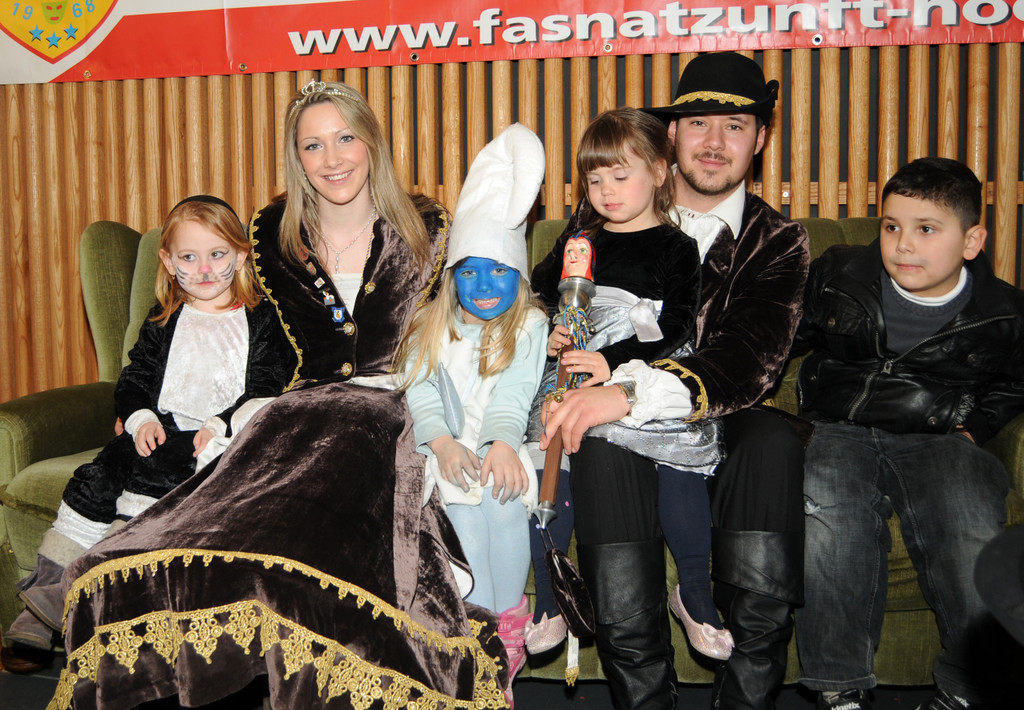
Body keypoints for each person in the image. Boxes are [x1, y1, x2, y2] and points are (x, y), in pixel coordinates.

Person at [52, 81, 507, 710]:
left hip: (384, 411)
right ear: (297, 156)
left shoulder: (428, 227)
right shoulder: (268, 232)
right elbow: (237, 334)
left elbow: (487, 309)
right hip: (290, 410)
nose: (332, 158)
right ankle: (222, 661)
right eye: (313, 145)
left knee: (317, 510)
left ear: (371, 143)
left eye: (345, 138)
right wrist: (171, 410)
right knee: (235, 523)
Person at [539, 52, 811, 710]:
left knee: (774, 442)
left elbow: (747, 360)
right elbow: (547, 298)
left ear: (760, 139)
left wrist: (629, 390)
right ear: (670, 138)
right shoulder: (597, 222)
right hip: (605, 407)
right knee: (597, 439)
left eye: (735, 126)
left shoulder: (776, 241)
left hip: (723, 412)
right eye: (698, 124)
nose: (714, 142)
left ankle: (745, 698)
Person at [5, 195, 293, 652]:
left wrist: (220, 425)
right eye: (188, 257)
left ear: (240, 256)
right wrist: (139, 417)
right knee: (98, 476)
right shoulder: (164, 318)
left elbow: (267, 385)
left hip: (212, 441)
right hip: (157, 427)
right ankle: (44, 592)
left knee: (151, 487)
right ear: (169, 261)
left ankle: (83, 590)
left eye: (217, 254)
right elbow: (134, 377)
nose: (204, 269)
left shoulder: (260, 320)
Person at [795, 157, 1024, 710]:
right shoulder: (841, 273)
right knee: (827, 514)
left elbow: (1016, 383)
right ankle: (839, 689)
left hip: (940, 438)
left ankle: (969, 689)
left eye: (926, 229)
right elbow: (782, 336)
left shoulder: (1004, 314)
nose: (903, 245)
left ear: (972, 241)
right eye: (892, 226)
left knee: (968, 525)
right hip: (837, 426)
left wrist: (975, 430)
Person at [527, 107, 732, 664]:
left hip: (644, 363)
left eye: (621, 176)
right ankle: (550, 595)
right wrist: (550, 329)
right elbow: (539, 294)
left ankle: (694, 591)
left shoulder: (676, 247)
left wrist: (612, 359)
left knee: (678, 462)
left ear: (660, 172)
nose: (607, 191)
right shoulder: (578, 240)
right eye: (594, 180)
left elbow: (677, 327)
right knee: (550, 454)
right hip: (575, 363)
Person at [397, 123, 549, 705]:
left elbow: (514, 394)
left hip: (502, 444)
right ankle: (480, 630)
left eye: (499, 270)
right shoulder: (429, 326)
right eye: (469, 271)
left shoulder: (528, 325)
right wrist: (440, 443)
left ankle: (508, 625)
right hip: (448, 450)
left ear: (519, 274)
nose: (484, 284)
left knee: (501, 499)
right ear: (452, 277)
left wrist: (500, 445)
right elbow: (420, 393)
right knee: (464, 517)